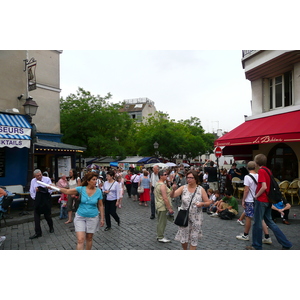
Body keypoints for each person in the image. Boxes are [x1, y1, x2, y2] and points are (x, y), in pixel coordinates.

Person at [246, 154, 292, 250]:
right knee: (270, 222)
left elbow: (264, 187)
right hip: (268, 200)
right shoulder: (268, 170)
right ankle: (286, 243)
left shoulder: (262, 171)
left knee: (257, 223)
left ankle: (257, 245)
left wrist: (256, 196)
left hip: (261, 200)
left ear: (256, 162)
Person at [57, 172, 104, 250]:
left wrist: (102, 218)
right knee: (80, 239)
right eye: (93, 179)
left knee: (89, 238)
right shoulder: (81, 189)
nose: (96, 181)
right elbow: (67, 191)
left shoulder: (98, 191)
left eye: (96, 179)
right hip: (80, 217)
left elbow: (101, 205)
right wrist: (54, 187)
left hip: (93, 217)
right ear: (88, 181)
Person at [170, 170, 211, 250]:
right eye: (187, 177)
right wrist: (173, 189)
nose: (188, 179)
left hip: (196, 218)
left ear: (195, 179)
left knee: (194, 238)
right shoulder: (183, 188)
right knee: (184, 239)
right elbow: (173, 196)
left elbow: (208, 202)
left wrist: (202, 204)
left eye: (191, 178)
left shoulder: (200, 189)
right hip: (184, 216)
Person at [235, 161, 272, 244]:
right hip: (258, 198)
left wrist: (243, 200)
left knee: (248, 217)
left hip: (250, 199)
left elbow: (246, 190)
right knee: (260, 218)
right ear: (255, 167)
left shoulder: (247, 177)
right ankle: (267, 236)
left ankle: (245, 235)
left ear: (247, 168)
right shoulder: (259, 175)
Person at [29, 169, 54, 239]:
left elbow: (50, 190)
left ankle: (51, 227)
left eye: (40, 175)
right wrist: (35, 198)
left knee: (47, 216)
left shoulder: (47, 179)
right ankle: (38, 232)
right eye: (37, 176)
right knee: (36, 218)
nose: (39, 176)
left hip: (45, 200)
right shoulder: (33, 181)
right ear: (35, 176)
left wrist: (42, 190)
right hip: (37, 201)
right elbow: (31, 191)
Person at [154, 169, 174, 243]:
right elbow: (165, 198)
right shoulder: (162, 185)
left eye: (167, 174)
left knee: (160, 222)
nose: (167, 176)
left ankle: (160, 235)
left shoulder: (158, 184)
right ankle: (160, 236)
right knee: (162, 222)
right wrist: (169, 208)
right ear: (161, 176)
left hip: (158, 205)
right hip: (162, 206)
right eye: (165, 174)